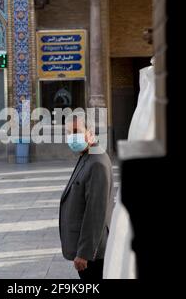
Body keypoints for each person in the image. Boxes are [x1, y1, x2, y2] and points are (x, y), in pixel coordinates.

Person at [59, 115, 115, 280]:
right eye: (68, 132)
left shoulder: (97, 162)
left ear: (90, 133)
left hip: (93, 254)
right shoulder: (87, 156)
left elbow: (95, 213)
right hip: (88, 250)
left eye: (76, 131)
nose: (71, 136)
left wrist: (84, 253)